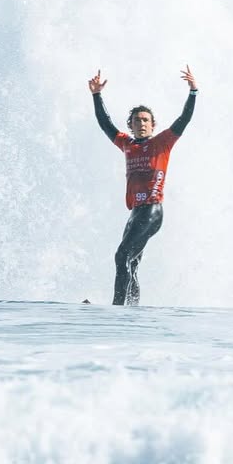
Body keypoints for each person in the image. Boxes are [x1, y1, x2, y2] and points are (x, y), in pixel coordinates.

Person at [88, 65, 198, 305]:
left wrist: (193, 92)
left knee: (121, 256)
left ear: (153, 124)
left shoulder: (162, 143)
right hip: (136, 213)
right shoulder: (127, 144)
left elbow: (184, 119)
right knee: (132, 262)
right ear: (131, 125)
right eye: (137, 120)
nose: (141, 123)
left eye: (146, 120)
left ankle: (117, 309)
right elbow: (105, 123)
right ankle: (133, 309)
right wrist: (96, 95)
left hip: (152, 210)